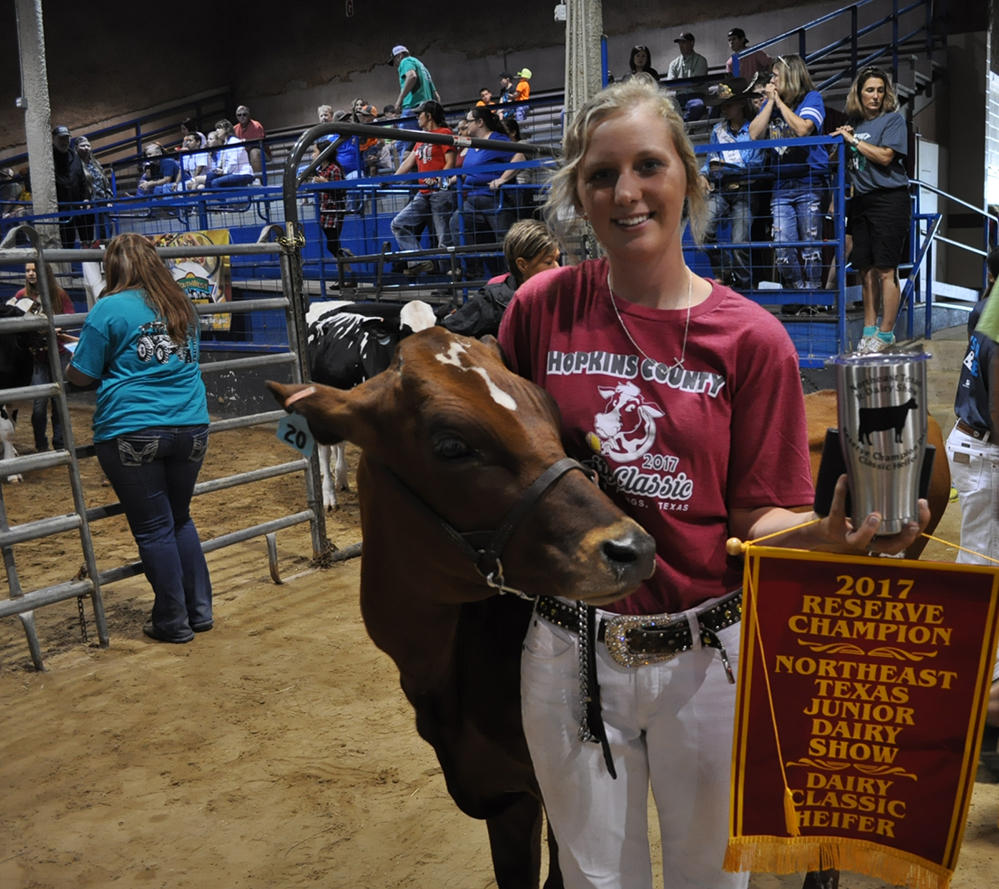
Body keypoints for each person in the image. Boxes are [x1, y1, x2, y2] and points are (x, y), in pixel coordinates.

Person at [496, 76, 928, 889]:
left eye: (648, 166)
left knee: (712, 879)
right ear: (577, 195)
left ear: (689, 179)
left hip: (708, 656)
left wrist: (828, 537)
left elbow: (760, 511)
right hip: (567, 651)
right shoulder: (538, 310)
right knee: (591, 880)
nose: (625, 192)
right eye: (599, 174)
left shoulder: (751, 338)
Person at [67, 233, 213, 645]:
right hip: (192, 424)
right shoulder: (182, 303)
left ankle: (172, 620)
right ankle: (199, 610)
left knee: (154, 529)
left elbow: (81, 375)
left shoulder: (109, 308)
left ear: (114, 268)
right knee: (179, 518)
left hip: (134, 426)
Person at [831, 67, 911, 352]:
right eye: (869, 90)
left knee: (886, 269)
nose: (875, 96)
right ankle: (868, 332)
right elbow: (836, 159)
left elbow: (886, 157)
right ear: (859, 94)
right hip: (861, 202)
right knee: (865, 269)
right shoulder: (854, 124)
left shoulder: (892, 121)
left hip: (890, 200)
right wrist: (842, 138)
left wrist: (853, 141)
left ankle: (886, 334)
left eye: (880, 90)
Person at [749, 54, 828, 290]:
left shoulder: (812, 99)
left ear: (790, 76)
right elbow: (754, 134)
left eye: (775, 75)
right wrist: (771, 103)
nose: (771, 80)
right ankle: (797, 293)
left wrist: (780, 104)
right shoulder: (771, 104)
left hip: (810, 181)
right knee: (782, 245)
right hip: (781, 184)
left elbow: (803, 129)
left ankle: (813, 297)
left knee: (811, 245)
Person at [699, 78, 766, 291]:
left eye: (728, 104)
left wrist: (725, 169)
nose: (724, 109)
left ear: (740, 104)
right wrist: (703, 175)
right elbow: (711, 159)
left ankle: (743, 289)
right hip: (722, 189)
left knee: (740, 243)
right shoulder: (718, 130)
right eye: (722, 105)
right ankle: (726, 272)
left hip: (745, 190)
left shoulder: (755, 129)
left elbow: (758, 164)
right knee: (704, 231)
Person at [442, 219, 559, 338]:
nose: (557, 268)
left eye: (557, 260)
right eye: (549, 262)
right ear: (522, 265)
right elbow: (444, 333)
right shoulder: (492, 300)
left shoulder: (563, 297)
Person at [9, 262, 75, 453]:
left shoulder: (59, 294)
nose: (30, 273)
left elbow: (69, 317)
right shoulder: (21, 296)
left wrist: (60, 326)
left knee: (58, 401)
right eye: (27, 270)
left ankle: (60, 443)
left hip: (58, 353)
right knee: (39, 403)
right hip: (36, 357)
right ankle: (41, 444)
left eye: (34, 270)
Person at [458, 106, 526, 279]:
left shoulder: (497, 139)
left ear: (480, 122)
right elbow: (472, 169)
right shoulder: (473, 144)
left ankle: (513, 278)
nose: (466, 125)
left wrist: (502, 179)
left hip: (494, 199)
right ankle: (474, 269)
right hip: (472, 199)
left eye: (469, 121)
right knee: (456, 224)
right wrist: (457, 178)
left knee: (505, 239)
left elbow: (520, 157)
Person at [390, 100, 456, 277]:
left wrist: (436, 179)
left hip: (441, 190)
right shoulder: (421, 137)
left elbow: (451, 163)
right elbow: (409, 161)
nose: (417, 117)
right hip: (424, 192)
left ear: (429, 116)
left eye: (419, 114)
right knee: (398, 224)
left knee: (444, 236)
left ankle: (448, 278)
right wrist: (392, 179)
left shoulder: (445, 133)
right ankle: (420, 261)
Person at [52, 125, 93, 247]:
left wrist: (86, 198)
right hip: (61, 211)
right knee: (66, 244)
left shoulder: (74, 157)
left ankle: (89, 264)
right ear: (53, 139)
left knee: (87, 241)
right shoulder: (48, 158)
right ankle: (67, 266)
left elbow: (82, 181)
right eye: (61, 139)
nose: (65, 142)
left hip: (79, 209)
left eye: (67, 138)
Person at [73, 136, 113, 240]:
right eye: (82, 146)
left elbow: (105, 182)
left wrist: (109, 199)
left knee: (106, 233)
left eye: (88, 145)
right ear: (76, 148)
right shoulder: (75, 165)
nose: (86, 148)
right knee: (87, 236)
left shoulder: (96, 164)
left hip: (101, 203)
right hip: (87, 205)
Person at [666, 32, 709, 121]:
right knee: (665, 109)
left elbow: (697, 81)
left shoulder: (701, 60)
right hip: (679, 97)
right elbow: (670, 84)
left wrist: (679, 84)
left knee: (697, 106)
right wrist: (688, 83)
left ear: (692, 43)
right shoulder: (674, 63)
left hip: (696, 95)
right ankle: (685, 127)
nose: (681, 45)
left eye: (684, 43)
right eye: (680, 43)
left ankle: (683, 126)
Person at [390, 45, 441, 119]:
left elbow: (412, 76)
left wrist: (399, 100)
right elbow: (437, 97)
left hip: (413, 106)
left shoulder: (405, 61)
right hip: (427, 110)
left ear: (400, 56)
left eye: (394, 61)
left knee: (404, 130)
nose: (395, 64)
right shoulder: (422, 67)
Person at [205, 120, 255, 189]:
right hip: (231, 172)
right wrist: (219, 170)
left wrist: (224, 171)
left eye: (220, 128)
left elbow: (233, 162)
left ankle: (219, 199)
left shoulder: (234, 142)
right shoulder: (225, 143)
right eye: (216, 128)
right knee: (210, 174)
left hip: (242, 173)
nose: (217, 130)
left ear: (227, 129)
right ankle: (208, 197)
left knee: (215, 182)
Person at [234, 104, 270, 174]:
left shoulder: (256, 125)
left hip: (261, 153)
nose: (242, 117)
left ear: (249, 116)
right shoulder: (235, 129)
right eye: (239, 115)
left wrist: (245, 141)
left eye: (244, 114)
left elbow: (261, 142)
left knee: (254, 152)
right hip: (244, 154)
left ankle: (257, 179)